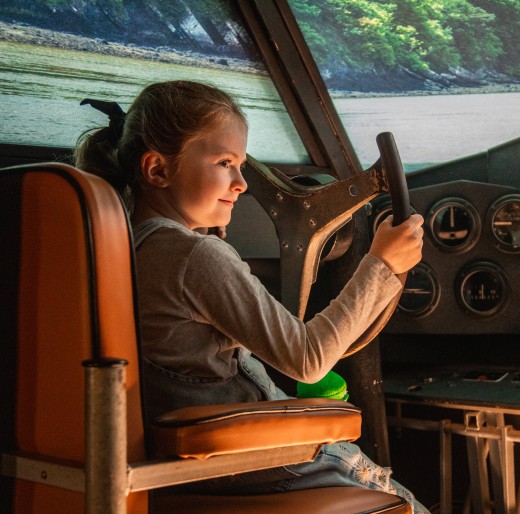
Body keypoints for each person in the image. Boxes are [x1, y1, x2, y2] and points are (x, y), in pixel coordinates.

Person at [75, 80, 429, 513]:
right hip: (260, 464)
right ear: (157, 170)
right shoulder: (195, 256)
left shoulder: (125, 243)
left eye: (241, 165)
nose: (242, 183)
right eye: (225, 162)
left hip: (181, 467)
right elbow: (308, 359)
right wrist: (381, 262)